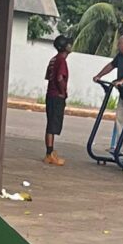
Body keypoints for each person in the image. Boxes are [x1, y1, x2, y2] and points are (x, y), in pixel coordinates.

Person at [43, 33, 72, 165]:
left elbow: (48, 76)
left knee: (51, 123)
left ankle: (50, 151)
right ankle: (49, 154)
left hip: (50, 94)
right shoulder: (61, 60)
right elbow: (60, 77)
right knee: (52, 125)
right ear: (65, 47)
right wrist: (62, 92)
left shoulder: (53, 59)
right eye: (68, 44)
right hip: (56, 96)